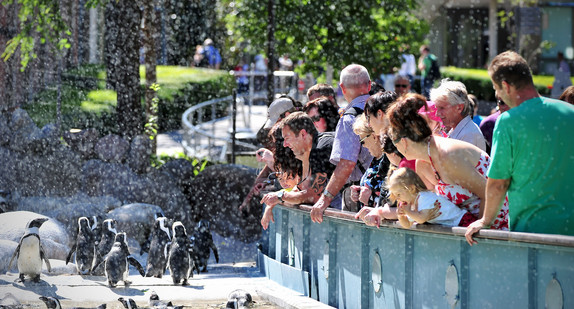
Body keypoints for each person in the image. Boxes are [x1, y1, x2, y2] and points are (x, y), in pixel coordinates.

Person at [465, 51, 574, 244]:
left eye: (496, 89)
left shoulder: (508, 121)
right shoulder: (569, 112)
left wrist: (485, 221)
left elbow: (499, 183)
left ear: (505, 86)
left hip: (533, 234)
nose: (497, 95)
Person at [388, 93, 509, 230]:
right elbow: (433, 204)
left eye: (394, 142)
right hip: (470, 229)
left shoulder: (448, 156)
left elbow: (490, 193)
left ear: (403, 142)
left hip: (497, 225)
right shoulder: (423, 162)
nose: (395, 148)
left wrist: (481, 228)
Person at [310, 64, 374, 221]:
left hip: (358, 195)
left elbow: (346, 164)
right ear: (369, 85)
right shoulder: (384, 109)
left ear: (342, 88)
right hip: (384, 192)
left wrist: (325, 199)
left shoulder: (349, 119)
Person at [260, 112, 335, 229]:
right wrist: (275, 199)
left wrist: (280, 196)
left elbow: (312, 196)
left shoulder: (321, 148)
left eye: (287, 138)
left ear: (303, 134)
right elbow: (301, 188)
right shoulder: (311, 150)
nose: (285, 144)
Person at [389, 167, 477, 229]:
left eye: (398, 194)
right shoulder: (412, 204)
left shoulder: (424, 198)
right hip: (455, 225)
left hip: (463, 220)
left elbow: (421, 219)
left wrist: (408, 212)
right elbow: (407, 225)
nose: (397, 198)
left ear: (411, 189)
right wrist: (400, 216)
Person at [430, 79, 486, 151]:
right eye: (436, 108)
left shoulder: (468, 134)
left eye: (442, 108)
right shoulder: (460, 130)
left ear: (459, 108)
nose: (437, 113)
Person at [348, 114, 391, 210]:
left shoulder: (390, 160)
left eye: (362, 141)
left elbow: (392, 198)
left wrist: (370, 198)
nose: (363, 146)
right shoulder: (375, 160)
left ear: (374, 137)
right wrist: (359, 192)